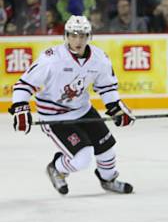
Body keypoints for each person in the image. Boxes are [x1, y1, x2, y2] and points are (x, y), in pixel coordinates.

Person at [9, 15, 135, 195]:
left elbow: (106, 87)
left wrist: (116, 108)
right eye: (73, 35)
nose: (78, 40)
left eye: (83, 35)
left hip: (83, 110)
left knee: (107, 150)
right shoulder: (51, 59)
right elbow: (24, 84)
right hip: (54, 116)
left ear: (89, 36)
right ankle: (56, 168)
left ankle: (108, 180)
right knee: (83, 158)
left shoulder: (99, 59)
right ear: (66, 36)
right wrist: (20, 108)